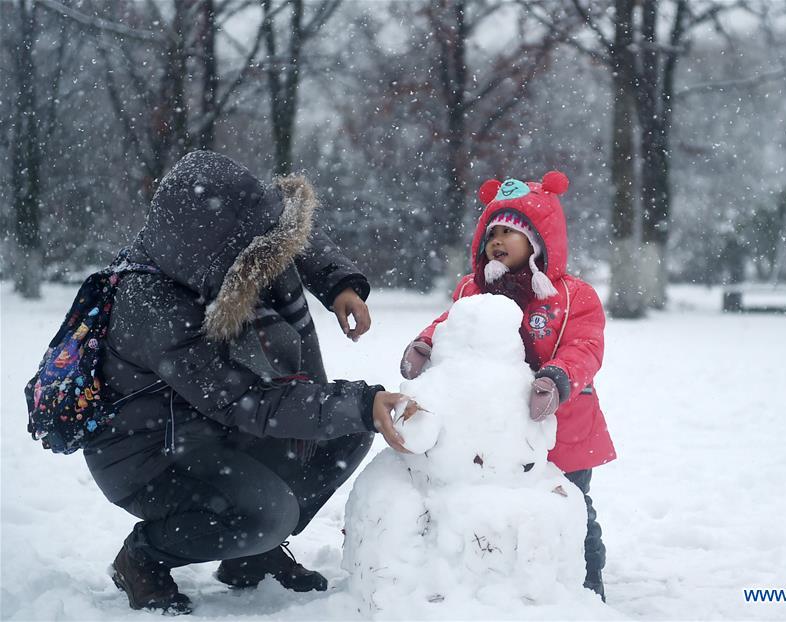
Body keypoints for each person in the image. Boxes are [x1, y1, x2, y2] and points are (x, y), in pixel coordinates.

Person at [87, 150, 411, 615]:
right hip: (149, 457)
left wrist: (338, 283)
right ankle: (143, 557)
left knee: (345, 432)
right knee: (270, 513)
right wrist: (361, 403)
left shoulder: (204, 245)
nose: (270, 260)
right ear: (221, 254)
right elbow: (248, 402)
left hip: (208, 430)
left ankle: (250, 555)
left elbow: (282, 235)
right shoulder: (153, 309)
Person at [399, 172, 616, 601]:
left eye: (511, 232)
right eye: (492, 232)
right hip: (495, 429)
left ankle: (587, 580)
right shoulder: (473, 290)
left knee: (570, 502)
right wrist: (426, 343)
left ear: (538, 241)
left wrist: (556, 378)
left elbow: (585, 346)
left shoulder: (573, 296)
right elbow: (451, 325)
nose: (497, 240)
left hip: (562, 425)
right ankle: (499, 576)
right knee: (501, 502)